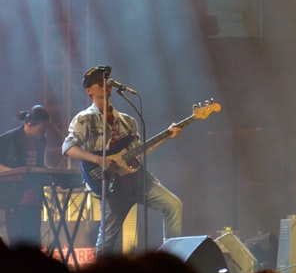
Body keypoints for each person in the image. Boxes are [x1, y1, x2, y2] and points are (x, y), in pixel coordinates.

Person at [62, 66, 183, 255]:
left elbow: (140, 151)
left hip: (137, 180)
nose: (106, 84)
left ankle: (174, 258)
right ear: (89, 90)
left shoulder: (128, 120)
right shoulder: (84, 119)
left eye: (108, 80)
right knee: (108, 239)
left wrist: (167, 135)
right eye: (100, 82)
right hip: (111, 184)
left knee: (173, 204)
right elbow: (68, 148)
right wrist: (97, 159)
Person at [0, 104, 53, 246]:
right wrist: (18, 173)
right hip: (15, 198)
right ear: (29, 124)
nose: (43, 132)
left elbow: (38, 164)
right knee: (18, 244)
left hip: (34, 198)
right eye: (41, 129)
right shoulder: (8, 139)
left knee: (35, 242)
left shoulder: (41, 140)